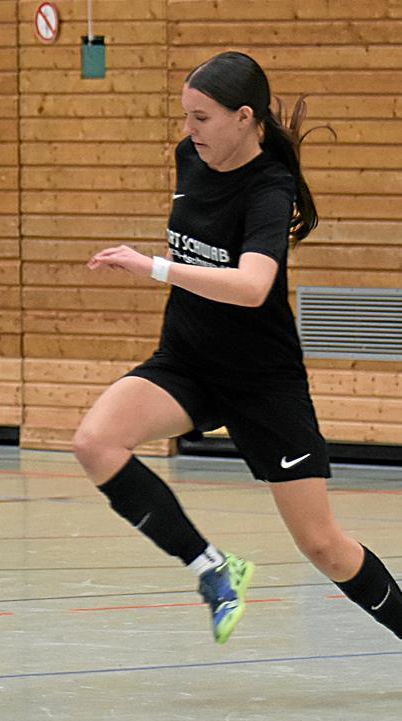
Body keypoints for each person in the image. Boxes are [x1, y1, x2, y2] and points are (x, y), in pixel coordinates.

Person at [73, 51, 402, 644]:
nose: (188, 131)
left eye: (201, 118)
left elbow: (253, 287)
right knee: (95, 443)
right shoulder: (189, 159)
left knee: (324, 546)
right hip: (187, 361)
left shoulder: (270, 189)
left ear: (244, 118)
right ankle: (213, 569)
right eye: (185, 117)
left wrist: (154, 268)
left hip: (261, 381)